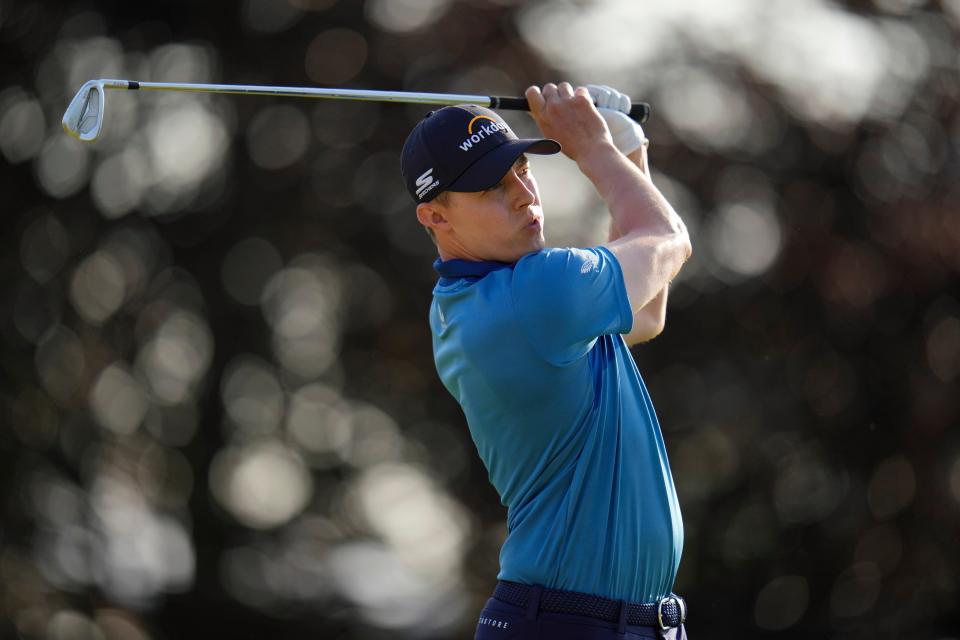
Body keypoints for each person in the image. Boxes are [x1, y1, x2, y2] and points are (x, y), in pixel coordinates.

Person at [400, 82, 692, 640]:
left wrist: (629, 147)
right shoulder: (535, 296)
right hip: (567, 624)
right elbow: (668, 240)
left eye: (522, 171)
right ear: (435, 217)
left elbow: (648, 309)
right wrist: (595, 148)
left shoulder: (482, 300)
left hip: (607, 622)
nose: (524, 196)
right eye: (491, 187)